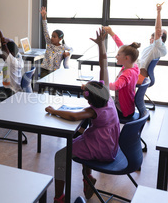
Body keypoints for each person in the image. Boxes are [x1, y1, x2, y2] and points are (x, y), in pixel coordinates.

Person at [45, 28, 120, 202]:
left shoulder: (93, 111)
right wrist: (101, 45)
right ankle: (88, 178)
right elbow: (104, 64)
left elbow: (72, 117)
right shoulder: (107, 96)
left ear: (90, 100)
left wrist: (54, 111)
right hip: (109, 144)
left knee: (60, 155)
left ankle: (59, 197)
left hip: (102, 149)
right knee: (79, 138)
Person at [102, 29, 141, 118]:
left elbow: (115, 86)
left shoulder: (127, 74)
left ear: (126, 58)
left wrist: (102, 84)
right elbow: (123, 48)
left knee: (96, 111)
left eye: (118, 55)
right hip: (129, 108)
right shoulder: (133, 66)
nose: (116, 56)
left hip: (122, 111)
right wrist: (111, 33)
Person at [0, 28, 24, 109]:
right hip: (16, 89)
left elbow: (5, 46)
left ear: (10, 53)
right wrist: (2, 35)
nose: (3, 56)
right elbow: (10, 42)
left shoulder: (12, 61)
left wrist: (0, 32)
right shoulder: (18, 56)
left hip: (11, 92)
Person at [40, 6, 73, 78]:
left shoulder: (63, 47)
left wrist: (68, 53)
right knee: (44, 83)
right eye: (52, 36)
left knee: (53, 86)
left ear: (60, 38)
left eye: (54, 37)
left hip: (55, 71)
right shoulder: (49, 43)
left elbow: (72, 49)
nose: (52, 38)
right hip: (45, 69)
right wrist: (44, 17)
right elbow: (45, 30)